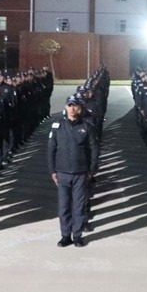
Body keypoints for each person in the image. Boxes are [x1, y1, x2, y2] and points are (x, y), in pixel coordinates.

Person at [47, 95, 99, 247]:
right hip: (62, 173)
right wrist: (52, 171)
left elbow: (94, 149)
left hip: (80, 173)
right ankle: (65, 236)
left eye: (75, 105)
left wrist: (91, 170)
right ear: (65, 107)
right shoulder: (57, 126)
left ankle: (77, 235)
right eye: (69, 105)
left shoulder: (87, 126)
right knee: (64, 207)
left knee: (78, 206)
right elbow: (51, 150)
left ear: (80, 108)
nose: (72, 108)